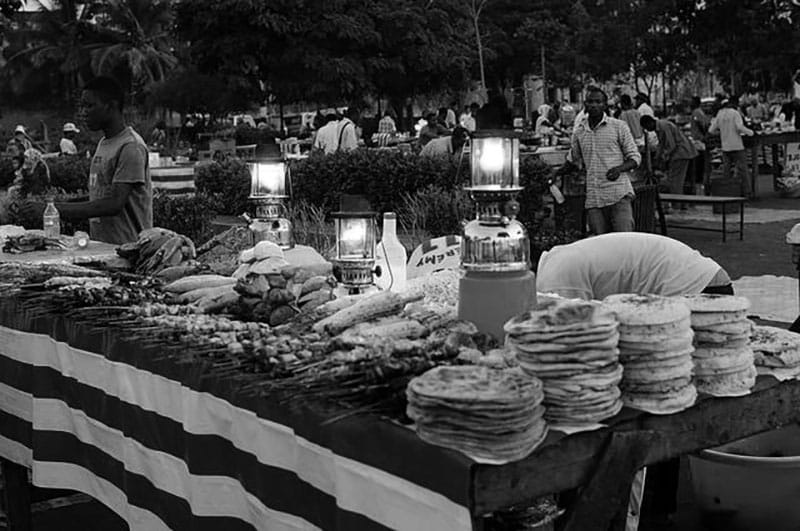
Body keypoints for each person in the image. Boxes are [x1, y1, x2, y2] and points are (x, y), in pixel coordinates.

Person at [23, 76, 152, 245]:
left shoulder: (131, 147)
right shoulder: (104, 143)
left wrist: (55, 210)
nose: (83, 112)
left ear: (111, 106)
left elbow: (114, 204)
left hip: (130, 248)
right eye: (82, 106)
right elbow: (99, 197)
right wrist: (52, 204)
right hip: (105, 248)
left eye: (89, 106)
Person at [536, 232, 732, 301]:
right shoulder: (560, 258)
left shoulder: (553, 277)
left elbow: (573, 329)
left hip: (700, 288)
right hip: (705, 276)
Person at [570, 86, 641, 234]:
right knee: (600, 245)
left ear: (605, 105)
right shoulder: (579, 132)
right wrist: (557, 173)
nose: (594, 105)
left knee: (624, 240)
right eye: (590, 102)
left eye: (598, 102)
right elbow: (574, 160)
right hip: (594, 197)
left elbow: (635, 157)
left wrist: (618, 169)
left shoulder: (618, 127)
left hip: (618, 194)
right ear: (585, 105)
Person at [709, 96, 755, 198]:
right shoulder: (735, 113)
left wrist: (721, 132)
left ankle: (728, 192)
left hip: (725, 147)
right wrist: (750, 132)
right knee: (743, 169)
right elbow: (739, 127)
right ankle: (747, 192)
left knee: (726, 171)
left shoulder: (719, 114)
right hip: (737, 145)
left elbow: (711, 130)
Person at [640, 115, 698, 195]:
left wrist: (663, 157)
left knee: (675, 181)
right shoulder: (660, 126)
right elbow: (662, 144)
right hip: (680, 153)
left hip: (681, 153)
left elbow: (671, 145)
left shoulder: (664, 126)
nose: (648, 130)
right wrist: (657, 157)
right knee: (678, 180)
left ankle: (676, 204)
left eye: (646, 127)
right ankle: (681, 203)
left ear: (650, 123)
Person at [689, 96, 711, 190]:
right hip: (699, 139)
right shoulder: (698, 112)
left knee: (699, 164)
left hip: (699, 141)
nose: (690, 104)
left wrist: (704, 136)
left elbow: (702, 124)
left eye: (692, 102)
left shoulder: (696, 112)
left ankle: (699, 183)